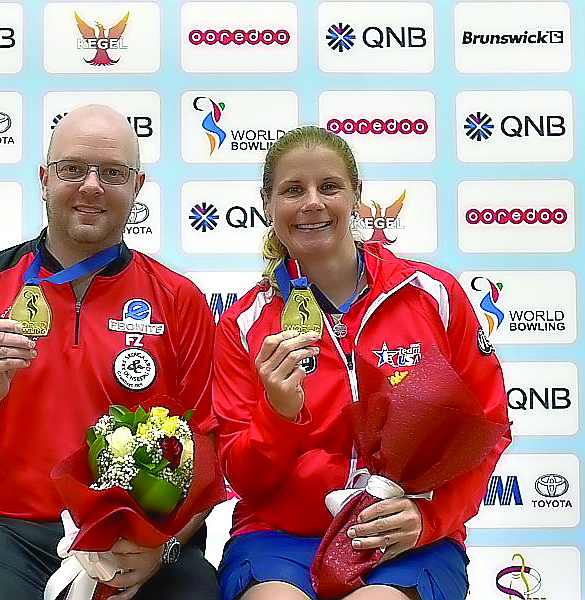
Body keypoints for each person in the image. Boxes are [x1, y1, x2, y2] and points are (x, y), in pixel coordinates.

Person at [0, 104, 221, 600]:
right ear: (45, 179)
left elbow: (208, 456)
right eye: (73, 169)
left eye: (112, 173)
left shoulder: (180, 300)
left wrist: (163, 546)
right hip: (5, 538)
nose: (91, 186)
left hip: (135, 539)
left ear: (138, 186)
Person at [211, 126, 511, 600]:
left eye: (329, 187)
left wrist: (429, 518)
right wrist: (278, 413)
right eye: (293, 190)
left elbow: (488, 428)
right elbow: (243, 479)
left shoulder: (432, 295)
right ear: (267, 204)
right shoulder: (244, 324)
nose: (312, 202)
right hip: (281, 538)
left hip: (403, 535)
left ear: (356, 197)